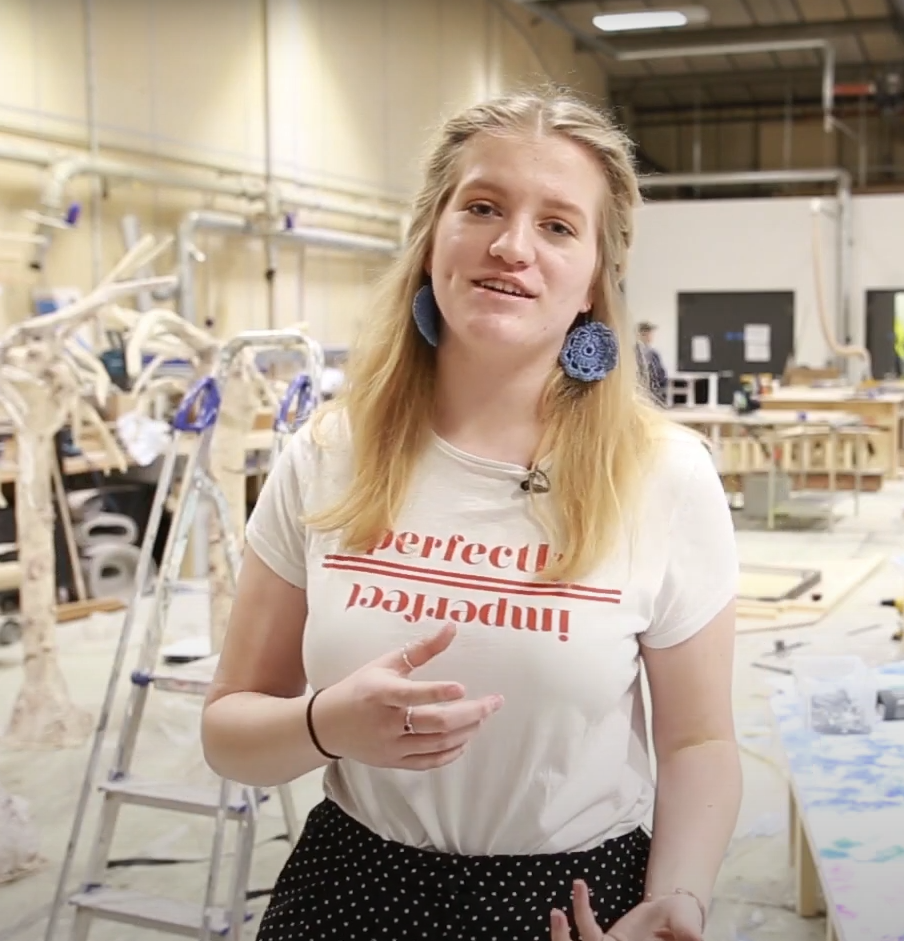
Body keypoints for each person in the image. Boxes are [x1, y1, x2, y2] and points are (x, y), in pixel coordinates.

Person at [200, 86, 742, 941]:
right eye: (482, 206)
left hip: (574, 907)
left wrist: (678, 897)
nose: (511, 246)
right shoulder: (325, 455)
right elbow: (229, 730)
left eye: (558, 225)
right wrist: (323, 725)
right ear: (431, 239)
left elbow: (697, 744)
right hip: (351, 889)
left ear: (598, 276)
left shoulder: (664, 476)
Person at [636, 321, 669, 406]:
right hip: (640, 393)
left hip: (653, 394)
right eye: (648, 333)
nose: (651, 336)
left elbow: (661, 374)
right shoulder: (634, 352)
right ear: (641, 334)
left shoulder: (654, 353)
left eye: (651, 333)